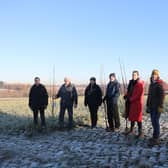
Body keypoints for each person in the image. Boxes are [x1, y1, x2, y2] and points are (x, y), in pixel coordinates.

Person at [146, 70, 164, 146]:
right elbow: (149, 96)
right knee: (153, 122)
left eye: (155, 75)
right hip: (151, 106)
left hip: (157, 107)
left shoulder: (159, 84)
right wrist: (147, 105)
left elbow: (162, 96)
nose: (154, 76)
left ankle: (156, 138)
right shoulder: (151, 85)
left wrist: (160, 106)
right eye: (153, 74)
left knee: (155, 122)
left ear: (157, 76)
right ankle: (154, 136)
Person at [124, 71, 144, 138]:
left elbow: (138, 95)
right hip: (131, 103)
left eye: (135, 75)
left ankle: (140, 132)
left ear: (138, 76)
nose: (133, 76)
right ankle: (131, 130)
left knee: (138, 118)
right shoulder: (131, 83)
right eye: (133, 75)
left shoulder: (139, 84)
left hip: (137, 104)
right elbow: (129, 91)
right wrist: (126, 95)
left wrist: (131, 99)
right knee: (132, 117)